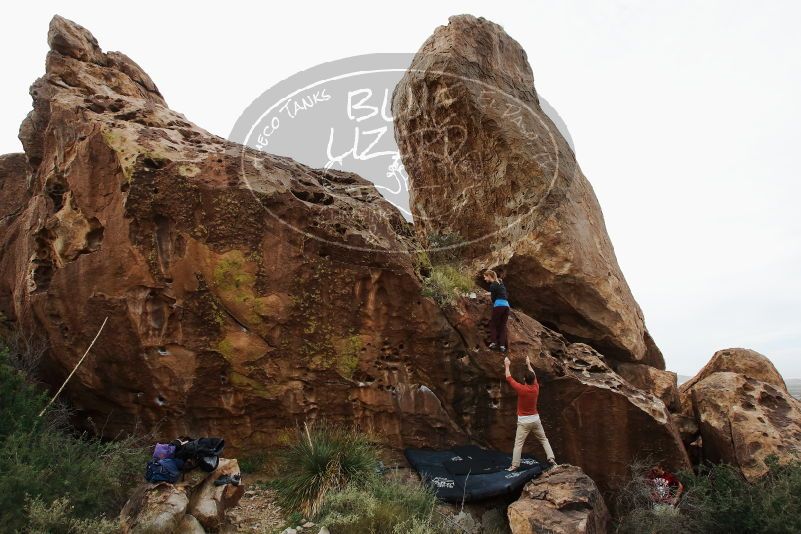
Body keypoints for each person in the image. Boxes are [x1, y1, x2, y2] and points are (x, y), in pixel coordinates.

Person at [504, 355, 557, 471]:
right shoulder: (536, 387)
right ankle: (551, 459)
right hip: (535, 419)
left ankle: (514, 465)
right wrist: (528, 364)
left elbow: (509, 378)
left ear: (524, 380)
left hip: (523, 422)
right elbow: (533, 374)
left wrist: (507, 364)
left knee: (518, 444)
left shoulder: (522, 389)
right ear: (533, 380)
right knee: (544, 439)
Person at [483, 270, 510, 353]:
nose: (484, 279)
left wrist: (490, 296)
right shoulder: (500, 283)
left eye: (485, 277)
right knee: (503, 325)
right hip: (506, 306)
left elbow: (493, 299)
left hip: (499, 306)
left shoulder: (492, 285)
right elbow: (501, 293)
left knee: (493, 324)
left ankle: (494, 342)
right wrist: (490, 293)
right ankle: (502, 346)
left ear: (489, 276)